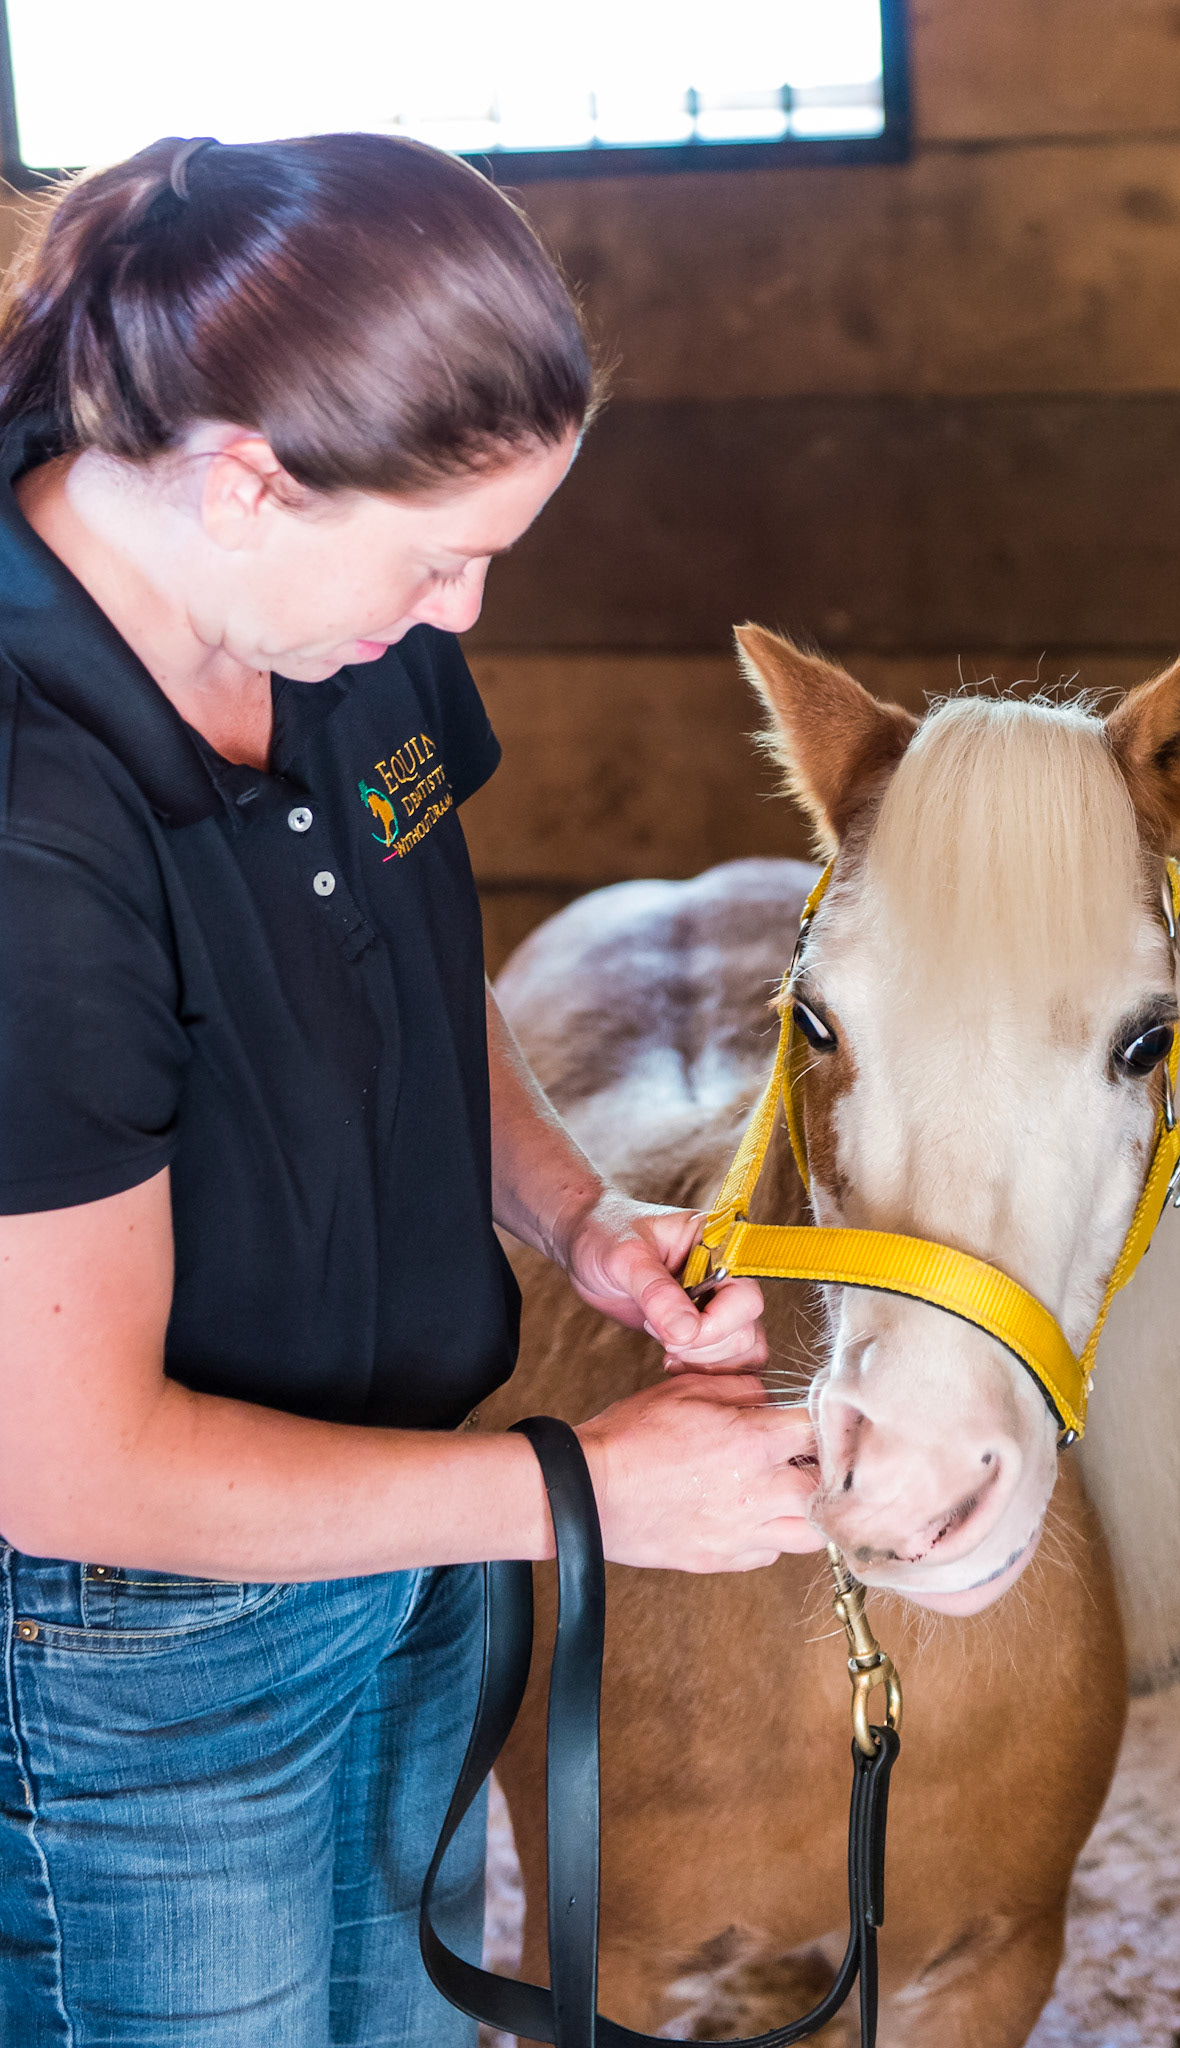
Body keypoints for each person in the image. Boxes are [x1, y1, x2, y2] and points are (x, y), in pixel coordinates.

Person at [0, 133, 821, 2045]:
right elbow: (67, 1463)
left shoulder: (329, 634)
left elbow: (401, 950)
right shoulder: (34, 830)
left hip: (421, 1547)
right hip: (147, 1645)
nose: (460, 612)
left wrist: (573, 1214)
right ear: (244, 479)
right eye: (439, 555)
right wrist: (579, 1488)